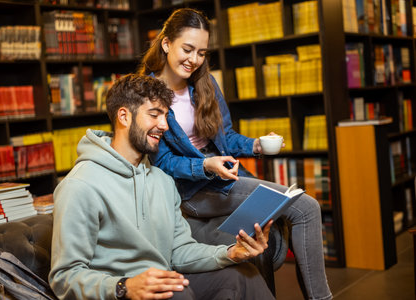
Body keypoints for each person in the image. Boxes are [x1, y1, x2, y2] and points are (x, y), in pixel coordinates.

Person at [139, 8, 333, 300]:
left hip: (224, 176)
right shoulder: (146, 94)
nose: (194, 60)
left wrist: (255, 144)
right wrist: (205, 165)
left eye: (202, 52)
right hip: (191, 191)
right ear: (166, 44)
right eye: (187, 49)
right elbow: (162, 162)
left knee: (301, 209)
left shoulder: (205, 84)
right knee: (306, 208)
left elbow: (225, 136)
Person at [49, 74, 275, 300]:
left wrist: (230, 253)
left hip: (164, 283)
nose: (164, 126)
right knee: (177, 293)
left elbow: (179, 251)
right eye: (154, 115)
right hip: (118, 293)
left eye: (166, 116)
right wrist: (123, 286)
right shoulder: (80, 185)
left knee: (244, 276)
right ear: (124, 116)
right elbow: (64, 276)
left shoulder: (162, 180)